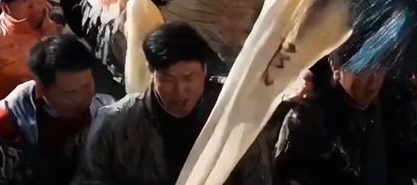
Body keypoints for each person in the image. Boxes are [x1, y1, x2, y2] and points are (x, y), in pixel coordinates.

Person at [75, 22, 272, 184]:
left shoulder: (234, 118)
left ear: (204, 70)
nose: (180, 91)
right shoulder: (115, 123)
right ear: (152, 74)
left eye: (188, 78)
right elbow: (88, 179)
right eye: (167, 79)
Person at [0, 34, 111, 185]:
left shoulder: (108, 115)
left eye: (88, 85)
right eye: (70, 92)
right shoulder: (9, 117)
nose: (82, 97)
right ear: (42, 89)